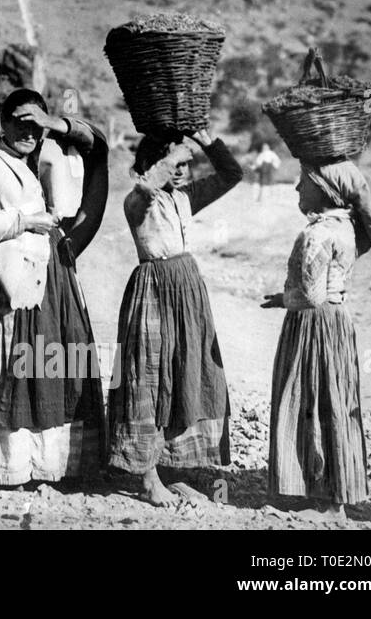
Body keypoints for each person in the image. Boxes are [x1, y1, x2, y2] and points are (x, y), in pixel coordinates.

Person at [0, 89, 107, 485]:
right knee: (7, 366)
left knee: (53, 357)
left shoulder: (50, 157)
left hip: (51, 278)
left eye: (35, 125)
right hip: (5, 281)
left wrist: (54, 125)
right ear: (3, 123)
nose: (28, 132)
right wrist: (22, 222)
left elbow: (99, 144)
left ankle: (53, 462)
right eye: (20, 123)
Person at [107, 129, 243, 506]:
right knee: (149, 375)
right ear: (151, 165)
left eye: (185, 164)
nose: (181, 171)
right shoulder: (138, 202)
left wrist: (211, 142)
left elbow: (233, 175)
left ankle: (170, 467)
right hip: (153, 288)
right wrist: (168, 159)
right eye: (173, 164)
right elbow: (146, 189)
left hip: (187, 289)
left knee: (186, 371)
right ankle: (146, 476)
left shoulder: (184, 199)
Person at [265, 160, 371, 520]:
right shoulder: (348, 228)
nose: (297, 189)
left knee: (307, 397)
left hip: (313, 326)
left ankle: (327, 501)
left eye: (304, 182)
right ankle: (331, 493)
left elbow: (312, 295)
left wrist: (285, 298)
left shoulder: (316, 234)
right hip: (338, 322)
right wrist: (287, 296)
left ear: (324, 190)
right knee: (332, 401)